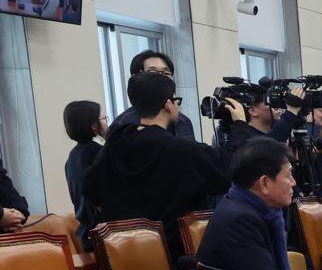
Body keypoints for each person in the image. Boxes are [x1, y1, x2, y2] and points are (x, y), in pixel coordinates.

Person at [176, 139, 322, 270]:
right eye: (289, 176)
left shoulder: (259, 210)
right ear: (264, 183)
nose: (294, 183)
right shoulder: (238, 219)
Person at [83, 71, 228, 249]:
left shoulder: (114, 146)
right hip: (178, 253)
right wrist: (239, 127)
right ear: (168, 104)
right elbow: (227, 173)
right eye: (176, 100)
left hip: (128, 251)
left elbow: (89, 187)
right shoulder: (181, 149)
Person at [109, 49, 196, 141]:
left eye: (166, 73)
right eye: (152, 72)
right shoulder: (123, 124)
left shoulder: (183, 121)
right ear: (136, 77)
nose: (161, 78)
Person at [62, 99, 105, 227]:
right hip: (105, 230)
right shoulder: (100, 153)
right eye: (103, 118)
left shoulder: (71, 157)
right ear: (94, 125)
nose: (105, 122)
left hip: (85, 230)